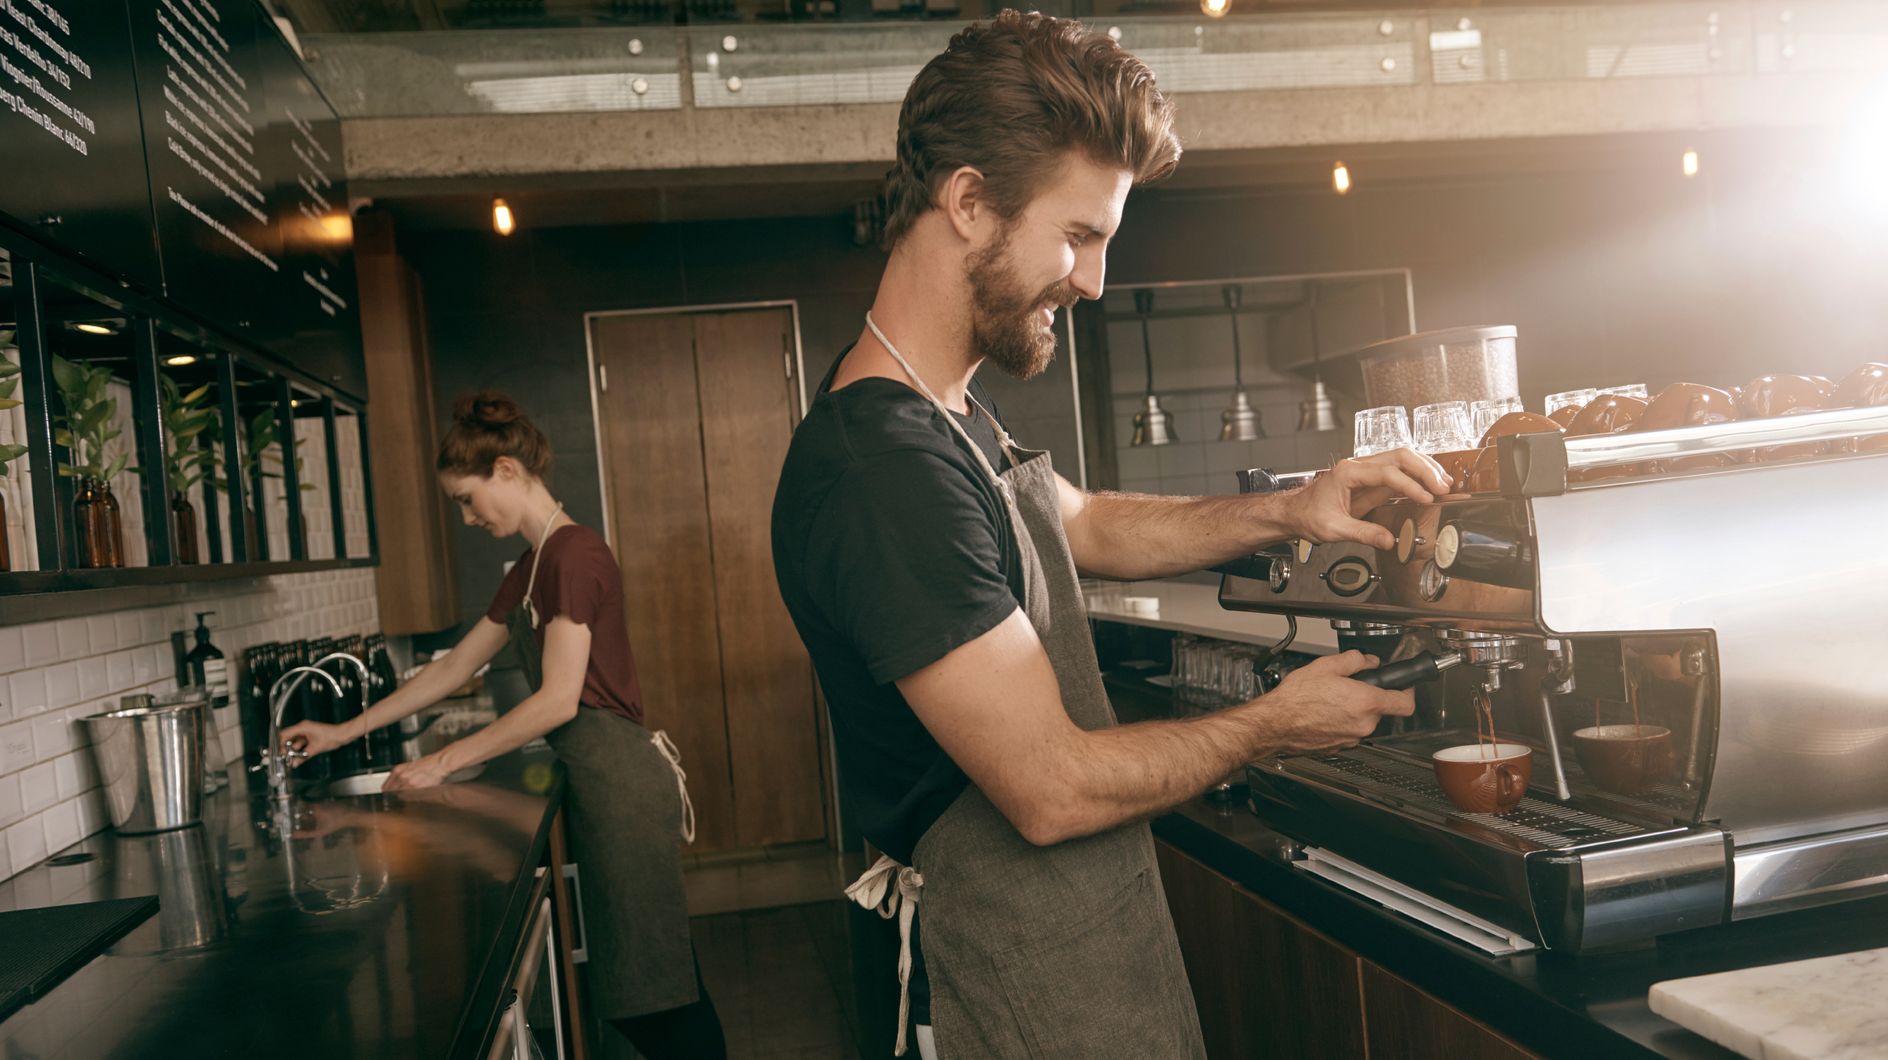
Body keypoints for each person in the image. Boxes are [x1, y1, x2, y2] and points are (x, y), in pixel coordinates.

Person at [770, 12, 1451, 1060]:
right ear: (965, 202)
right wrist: (1274, 722)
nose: (1089, 280)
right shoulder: (881, 468)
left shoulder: (940, 410)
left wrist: (1292, 505)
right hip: (1017, 968)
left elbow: (1075, 521)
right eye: (1078, 236)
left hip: (1082, 948)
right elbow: (1049, 787)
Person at [282, 392, 726, 1060]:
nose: (466, 517)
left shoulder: (574, 556)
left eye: (466, 498)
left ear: (508, 471)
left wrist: (445, 760)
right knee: (650, 980)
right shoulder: (532, 566)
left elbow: (557, 702)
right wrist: (341, 731)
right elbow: (454, 668)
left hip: (623, 787)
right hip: (598, 783)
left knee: (654, 994)